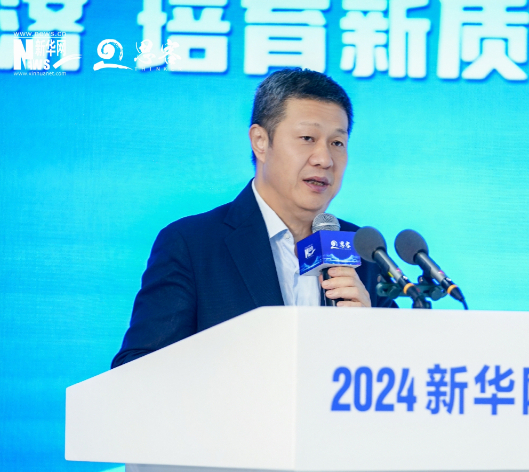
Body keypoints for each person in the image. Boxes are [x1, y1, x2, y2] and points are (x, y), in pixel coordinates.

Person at [111, 69, 395, 369]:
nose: (324, 159)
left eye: (337, 143)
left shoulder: (363, 250)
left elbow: (404, 372)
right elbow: (136, 369)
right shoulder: (192, 245)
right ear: (260, 141)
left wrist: (368, 332)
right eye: (307, 138)